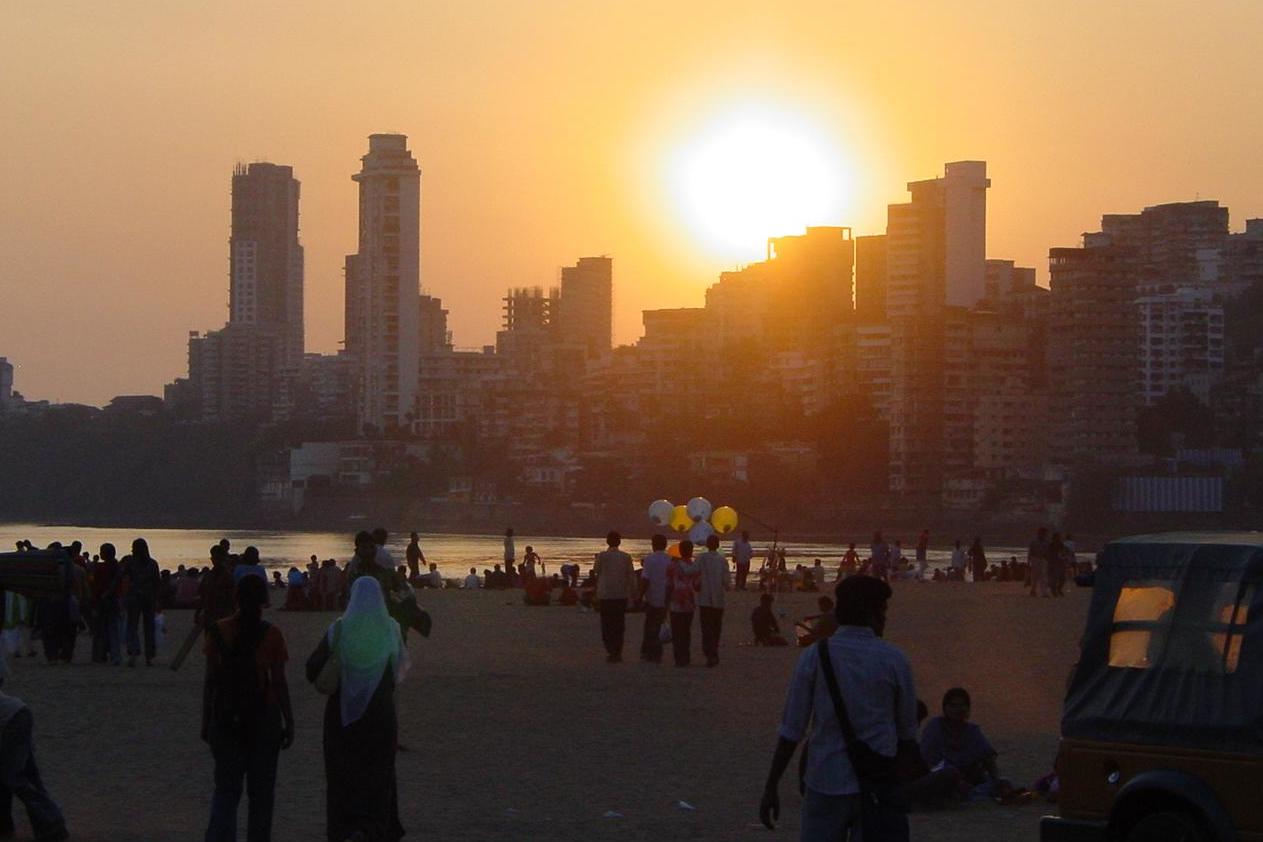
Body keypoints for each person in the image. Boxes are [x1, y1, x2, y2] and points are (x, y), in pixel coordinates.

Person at [760, 575, 918, 840]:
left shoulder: (815, 656)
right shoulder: (895, 660)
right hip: (876, 782)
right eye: (884, 611)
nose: (885, 618)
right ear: (873, 613)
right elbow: (906, 732)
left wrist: (772, 784)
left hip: (825, 779)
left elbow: (792, 730)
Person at [306, 577, 408, 842]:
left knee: (343, 775)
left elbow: (312, 669)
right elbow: (398, 672)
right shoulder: (391, 630)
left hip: (342, 716)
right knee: (379, 774)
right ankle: (373, 828)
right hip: (380, 715)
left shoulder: (339, 630)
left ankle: (346, 829)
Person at [202, 575, 294, 842]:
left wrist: (206, 720)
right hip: (263, 718)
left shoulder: (218, 631)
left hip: (225, 715)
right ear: (264, 600)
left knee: (226, 790)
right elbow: (278, 681)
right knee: (262, 794)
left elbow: (210, 681)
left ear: (236, 598)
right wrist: (289, 719)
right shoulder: (272, 634)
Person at [0, 651, 67, 841]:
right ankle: (6, 825)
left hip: (13, 719)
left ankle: (51, 824)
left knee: (15, 777)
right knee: (20, 775)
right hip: (15, 714)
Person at [919, 688, 1023, 802]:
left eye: (962, 705)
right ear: (945, 708)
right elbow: (928, 760)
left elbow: (987, 757)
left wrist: (996, 781)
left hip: (968, 779)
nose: (958, 709)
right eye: (953, 705)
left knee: (1004, 783)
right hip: (941, 775)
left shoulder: (972, 730)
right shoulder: (935, 726)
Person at [593, 532, 635, 663]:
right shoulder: (626, 557)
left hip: (606, 594)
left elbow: (596, 571)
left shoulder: (602, 556)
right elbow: (631, 577)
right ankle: (617, 651)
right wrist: (633, 593)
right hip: (620, 594)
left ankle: (611, 650)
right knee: (619, 624)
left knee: (606, 624)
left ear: (607, 541)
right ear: (619, 542)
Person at [122, 538, 161, 667]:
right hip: (149, 598)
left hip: (135, 597)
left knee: (132, 626)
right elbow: (157, 583)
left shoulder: (131, 563)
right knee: (149, 627)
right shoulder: (153, 563)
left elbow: (120, 575)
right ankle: (149, 656)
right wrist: (157, 600)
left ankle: (133, 653)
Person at [696, 535, 730, 667]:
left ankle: (709, 654)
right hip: (718, 600)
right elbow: (727, 582)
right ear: (718, 545)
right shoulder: (722, 561)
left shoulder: (701, 558)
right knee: (716, 628)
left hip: (705, 600)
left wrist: (680, 563)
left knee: (706, 629)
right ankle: (713, 653)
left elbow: (691, 570)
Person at [667, 540, 700, 667]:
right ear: (691, 551)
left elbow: (668, 585)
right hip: (689, 602)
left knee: (677, 631)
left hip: (676, 602)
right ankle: (685, 656)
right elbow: (697, 586)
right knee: (686, 630)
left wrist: (666, 601)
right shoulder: (695, 566)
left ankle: (679, 657)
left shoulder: (673, 566)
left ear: (680, 551)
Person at [638, 535, 671, 662]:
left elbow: (645, 579)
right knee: (659, 624)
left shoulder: (649, 560)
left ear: (653, 545)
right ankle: (657, 652)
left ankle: (648, 651)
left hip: (652, 597)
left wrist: (640, 595)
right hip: (665, 597)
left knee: (650, 625)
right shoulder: (669, 560)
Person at [91, 542, 123, 665]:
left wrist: (94, 601)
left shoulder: (100, 568)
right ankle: (115, 656)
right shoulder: (118, 568)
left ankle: (100, 655)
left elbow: (96, 587)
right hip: (114, 601)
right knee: (113, 629)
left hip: (102, 601)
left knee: (100, 630)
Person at [1028, 527, 1051, 598]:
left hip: (1043, 559)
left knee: (1043, 576)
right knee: (1034, 576)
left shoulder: (1047, 542)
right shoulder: (1033, 542)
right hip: (1035, 559)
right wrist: (1028, 562)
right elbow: (1030, 552)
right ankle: (1033, 590)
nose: (1044, 535)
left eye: (1045, 534)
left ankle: (1044, 593)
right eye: (1043, 533)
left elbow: (1049, 552)